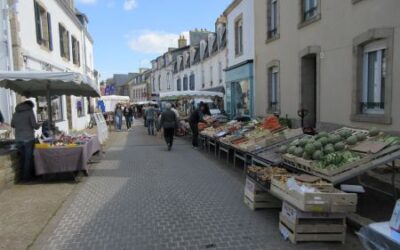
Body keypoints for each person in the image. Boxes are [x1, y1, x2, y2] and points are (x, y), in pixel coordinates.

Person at [11, 100, 41, 182]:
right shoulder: (29, 112)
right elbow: (35, 126)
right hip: (28, 139)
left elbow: (12, 125)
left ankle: (22, 176)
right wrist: (39, 124)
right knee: (28, 159)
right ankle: (26, 177)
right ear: (30, 106)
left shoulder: (15, 113)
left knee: (22, 158)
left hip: (18, 139)